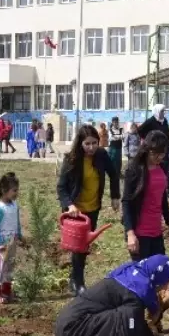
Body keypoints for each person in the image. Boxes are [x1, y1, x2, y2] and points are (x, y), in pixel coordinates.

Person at [58, 124, 122, 295]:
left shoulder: (101, 155)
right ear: (80, 143)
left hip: (93, 208)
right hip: (76, 211)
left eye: (95, 143)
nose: (92, 147)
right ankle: (77, 283)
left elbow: (114, 174)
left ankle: (75, 278)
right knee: (79, 247)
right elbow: (61, 187)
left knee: (83, 247)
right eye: (88, 144)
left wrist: (115, 196)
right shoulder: (72, 159)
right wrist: (70, 205)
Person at [122, 130, 169, 261]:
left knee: (159, 271)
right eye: (155, 153)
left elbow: (162, 199)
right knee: (142, 276)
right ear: (146, 149)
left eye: (162, 153)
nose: (159, 157)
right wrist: (130, 233)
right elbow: (126, 202)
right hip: (140, 233)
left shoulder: (162, 167)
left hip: (156, 231)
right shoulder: (134, 169)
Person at [0, 172, 27, 304]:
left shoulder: (14, 205)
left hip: (11, 241)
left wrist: (19, 235)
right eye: (14, 190)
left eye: (17, 190)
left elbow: (16, 222)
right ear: (4, 190)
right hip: (1, 244)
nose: (17, 193)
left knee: (9, 266)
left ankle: (7, 290)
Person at [139, 104, 169, 189]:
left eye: (164, 111)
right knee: (159, 166)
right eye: (161, 111)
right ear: (157, 111)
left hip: (166, 147)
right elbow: (140, 130)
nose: (163, 113)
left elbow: (168, 132)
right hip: (156, 149)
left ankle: (168, 188)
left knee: (168, 167)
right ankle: (158, 185)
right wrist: (149, 141)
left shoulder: (164, 121)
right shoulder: (151, 121)